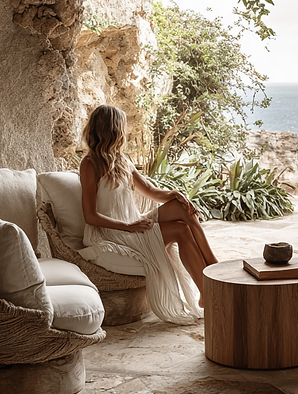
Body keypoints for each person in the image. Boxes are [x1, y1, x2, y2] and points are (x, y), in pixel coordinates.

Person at [80, 104, 218, 324]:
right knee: (181, 230)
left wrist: (175, 194)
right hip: (113, 232)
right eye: (122, 128)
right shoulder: (90, 164)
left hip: (134, 223)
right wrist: (128, 227)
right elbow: (90, 216)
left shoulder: (123, 161)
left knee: (182, 207)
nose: (125, 132)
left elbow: (151, 191)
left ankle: (211, 266)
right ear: (113, 130)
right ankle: (208, 288)